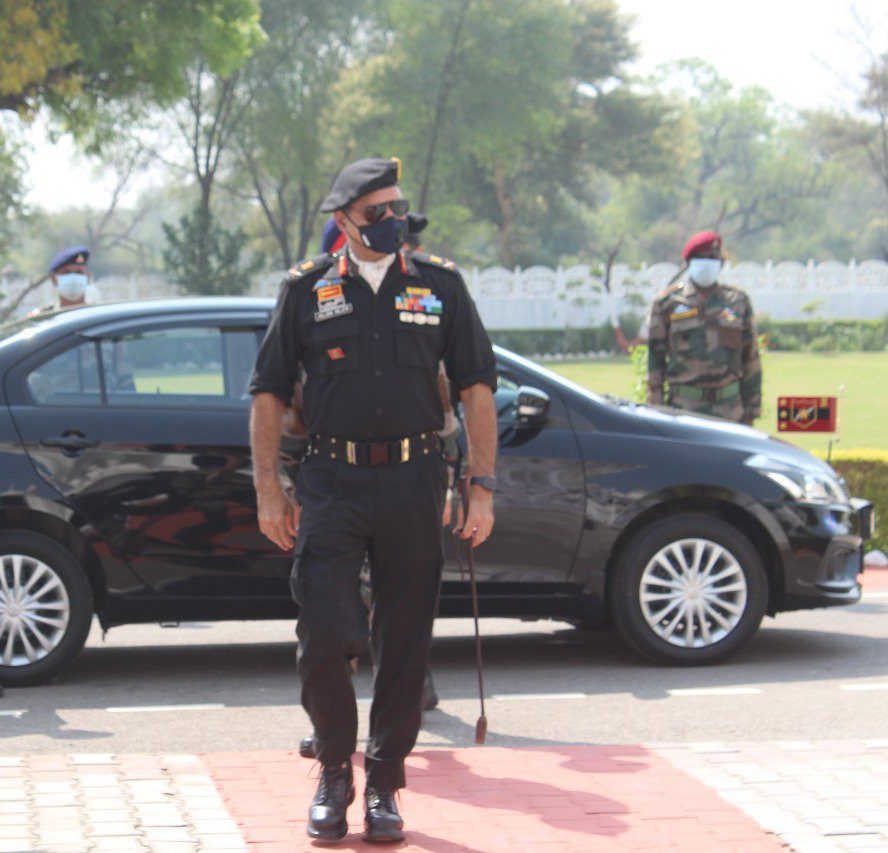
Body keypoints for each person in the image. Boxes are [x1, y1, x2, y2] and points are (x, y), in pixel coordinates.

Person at [249, 156, 497, 843]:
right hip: (332, 481)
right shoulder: (305, 292)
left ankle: (385, 781)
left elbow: (477, 386)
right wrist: (269, 487)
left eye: (397, 208)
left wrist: (480, 485)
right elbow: (268, 392)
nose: (391, 222)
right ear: (344, 222)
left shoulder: (441, 285)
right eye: (375, 213)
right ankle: (334, 769)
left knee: (407, 640)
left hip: (417, 481)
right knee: (324, 632)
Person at [646, 230, 761, 425]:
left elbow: (750, 357)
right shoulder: (668, 302)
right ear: (689, 263)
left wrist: (752, 408)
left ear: (721, 263)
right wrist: (656, 409)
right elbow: (655, 359)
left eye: (713, 258)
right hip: (684, 409)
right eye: (701, 258)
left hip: (730, 409)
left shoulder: (737, 301)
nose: (707, 262)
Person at [28, 246, 98, 317]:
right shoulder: (42, 317)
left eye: (79, 272)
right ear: (53, 279)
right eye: (66, 272)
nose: (73, 278)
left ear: (88, 277)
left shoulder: (98, 315)